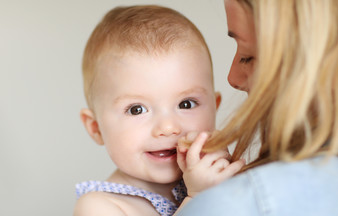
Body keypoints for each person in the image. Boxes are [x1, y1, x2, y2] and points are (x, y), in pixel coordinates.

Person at [176, 0, 338, 216]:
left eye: (247, 56)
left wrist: (200, 199)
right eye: (137, 109)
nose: (232, 77)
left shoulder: (241, 204)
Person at [73, 5, 244, 216]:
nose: (168, 127)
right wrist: (199, 199)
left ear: (214, 107)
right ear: (95, 128)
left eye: (186, 104)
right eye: (136, 109)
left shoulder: (214, 178)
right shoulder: (99, 207)